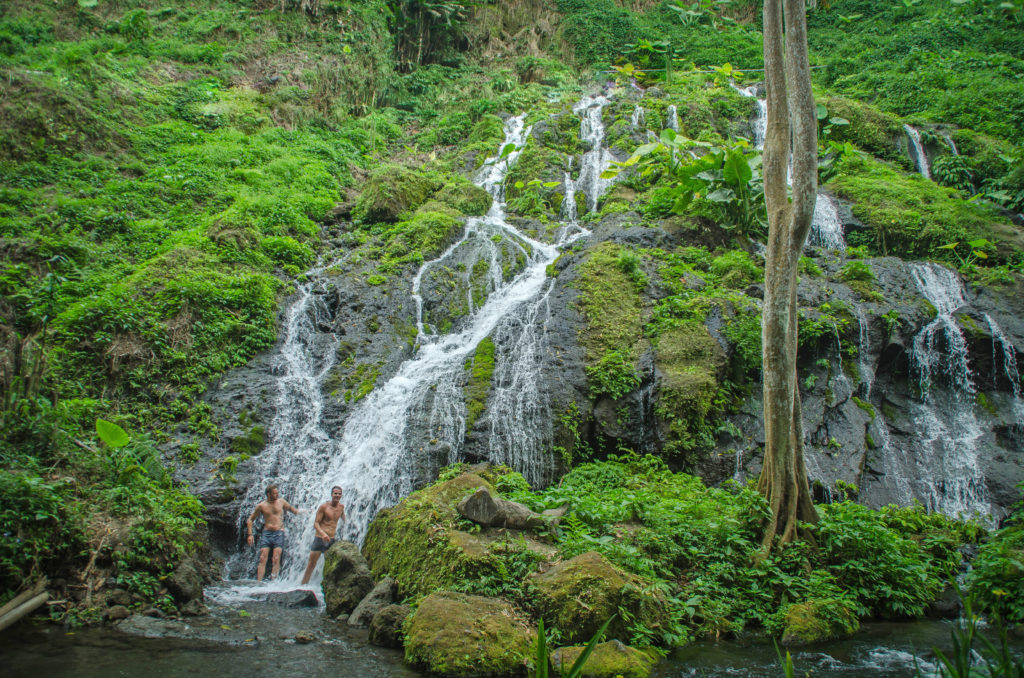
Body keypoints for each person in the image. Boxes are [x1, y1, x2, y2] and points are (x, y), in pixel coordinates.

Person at [247, 484, 303, 581]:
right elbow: (250, 520)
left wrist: (307, 512)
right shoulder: (261, 506)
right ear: (268, 494)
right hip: (267, 533)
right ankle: (258, 582)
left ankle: (274, 583)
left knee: (276, 558)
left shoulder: (281, 502)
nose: (277, 494)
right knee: (262, 557)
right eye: (275, 493)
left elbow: (294, 511)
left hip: (279, 533)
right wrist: (250, 534)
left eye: (277, 493)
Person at [301, 485, 346, 585]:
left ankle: (327, 587)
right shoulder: (324, 507)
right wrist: (323, 534)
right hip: (320, 538)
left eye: (339, 494)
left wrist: (347, 523)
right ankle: (302, 586)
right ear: (331, 494)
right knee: (311, 565)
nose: (337, 495)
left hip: (331, 539)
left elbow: (344, 519)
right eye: (335, 493)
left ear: (341, 495)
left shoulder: (341, 507)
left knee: (329, 565)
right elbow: (316, 523)